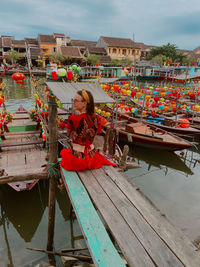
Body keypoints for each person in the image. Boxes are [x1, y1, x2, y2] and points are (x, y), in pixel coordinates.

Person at [60, 89, 117, 171]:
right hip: (93, 159)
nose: (73, 103)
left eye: (76, 100)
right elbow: (104, 125)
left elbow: (69, 133)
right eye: (73, 100)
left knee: (64, 152)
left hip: (77, 160)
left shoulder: (73, 118)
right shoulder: (97, 118)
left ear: (84, 103)